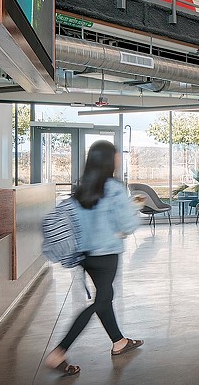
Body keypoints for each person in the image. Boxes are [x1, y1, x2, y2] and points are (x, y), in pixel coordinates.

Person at [43, 141, 144, 376]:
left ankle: (119, 341)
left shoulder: (83, 188)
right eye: (116, 154)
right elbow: (127, 225)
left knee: (105, 297)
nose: (119, 157)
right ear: (109, 160)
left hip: (86, 256)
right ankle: (60, 349)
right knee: (102, 299)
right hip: (107, 254)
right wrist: (135, 208)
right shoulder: (115, 188)